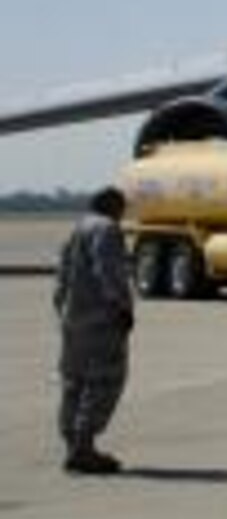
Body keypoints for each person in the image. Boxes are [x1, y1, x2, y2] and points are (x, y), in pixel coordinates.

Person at [53, 186, 135, 474]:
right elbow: (108, 271)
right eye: (121, 208)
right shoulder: (106, 229)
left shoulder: (77, 228)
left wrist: (62, 310)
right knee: (104, 381)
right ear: (113, 207)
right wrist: (122, 308)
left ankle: (72, 443)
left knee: (73, 382)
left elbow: (61, 277)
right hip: (100, 320)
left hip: (73, 319)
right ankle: (84, 447)